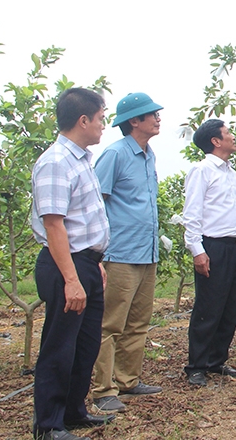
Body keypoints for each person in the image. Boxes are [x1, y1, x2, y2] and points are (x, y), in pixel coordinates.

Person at [31, 88, 115, 440]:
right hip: (65, 264)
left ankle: (74, 411)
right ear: (83, 120)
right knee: (60, 345)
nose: (102, 125)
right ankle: (48, 425)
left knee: (85, 344)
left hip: (85, 262)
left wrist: (93, 262)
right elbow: (54, 225)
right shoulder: (56, 161)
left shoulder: (81, 159)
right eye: (100, 117)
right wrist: (71, 278)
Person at [91, 93, 164, 413]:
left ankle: (128, 380)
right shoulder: (114, 155)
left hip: (146, 252)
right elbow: (95, 204)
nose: (158, 118)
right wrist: (98, 253)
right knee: (111, 324)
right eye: (152, 114)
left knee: (138, 322)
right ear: (134, 121)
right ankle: (102, 389)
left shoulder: (149, 156)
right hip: (120, 253)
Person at [182, 119, 236, 386]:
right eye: (228, 133)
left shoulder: (233, 174)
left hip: (235, 246)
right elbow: (192, 213)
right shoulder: (202, 170)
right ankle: (196, 365)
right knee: (208, 306)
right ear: (215, 141)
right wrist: (197, 250)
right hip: (213, 246)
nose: (233, 136)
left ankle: (216, 360)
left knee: (229, 306)